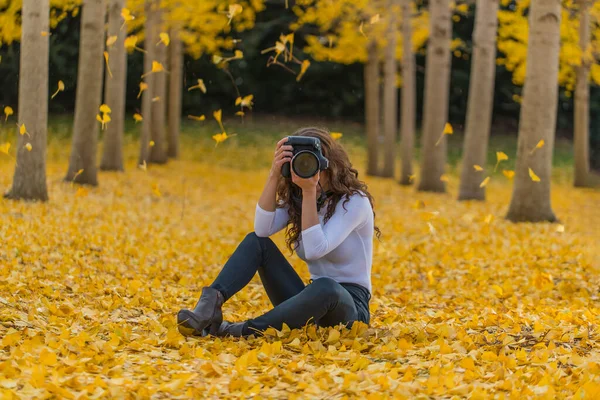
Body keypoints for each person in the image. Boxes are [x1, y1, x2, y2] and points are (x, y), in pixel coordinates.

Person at [177, 127, 380, 338]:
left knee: (326, 287)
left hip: (349, 310)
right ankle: (208, 307)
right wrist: (274, 174)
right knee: (256, 242)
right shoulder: (299, 196)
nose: (310, 170)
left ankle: (243, 330)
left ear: (330, 165)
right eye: (300, 164)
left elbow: (315, 250)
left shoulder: (354, 202)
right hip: (309, 303)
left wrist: (309, 192)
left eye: (313, 163)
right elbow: (262, 230)